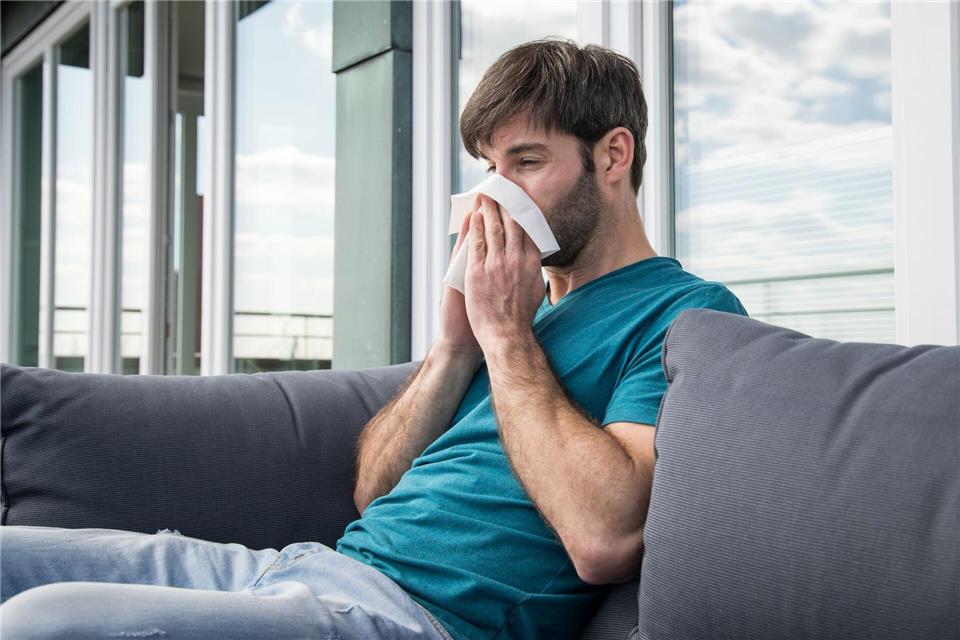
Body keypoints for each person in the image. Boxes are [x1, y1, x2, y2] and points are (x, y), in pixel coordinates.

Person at [0, 39, 746, 640]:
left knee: (43, 624)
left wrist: (507, 340)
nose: (496, 195)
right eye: (489, 168)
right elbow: (373, 492)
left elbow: (605, 538)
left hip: (407, 619)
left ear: (613, 156)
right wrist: (455, 348)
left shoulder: (685, 316)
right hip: (302, 571)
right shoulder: (508, 310)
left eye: (526, 162)